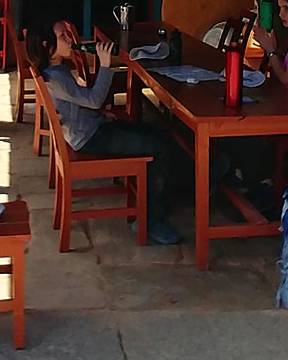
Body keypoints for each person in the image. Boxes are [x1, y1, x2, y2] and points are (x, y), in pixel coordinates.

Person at [28, 19, 184, 245]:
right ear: (46, 45)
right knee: (158, 147)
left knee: (158, 134)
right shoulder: (56, 77)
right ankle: (150, 220)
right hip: (90, 138)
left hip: (92, 127)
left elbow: (79, 103)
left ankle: (180, 187)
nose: (70, 40)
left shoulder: (56, 70)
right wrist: (105, 65)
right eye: (63, 36)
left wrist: (99, 114)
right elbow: (94, 99)